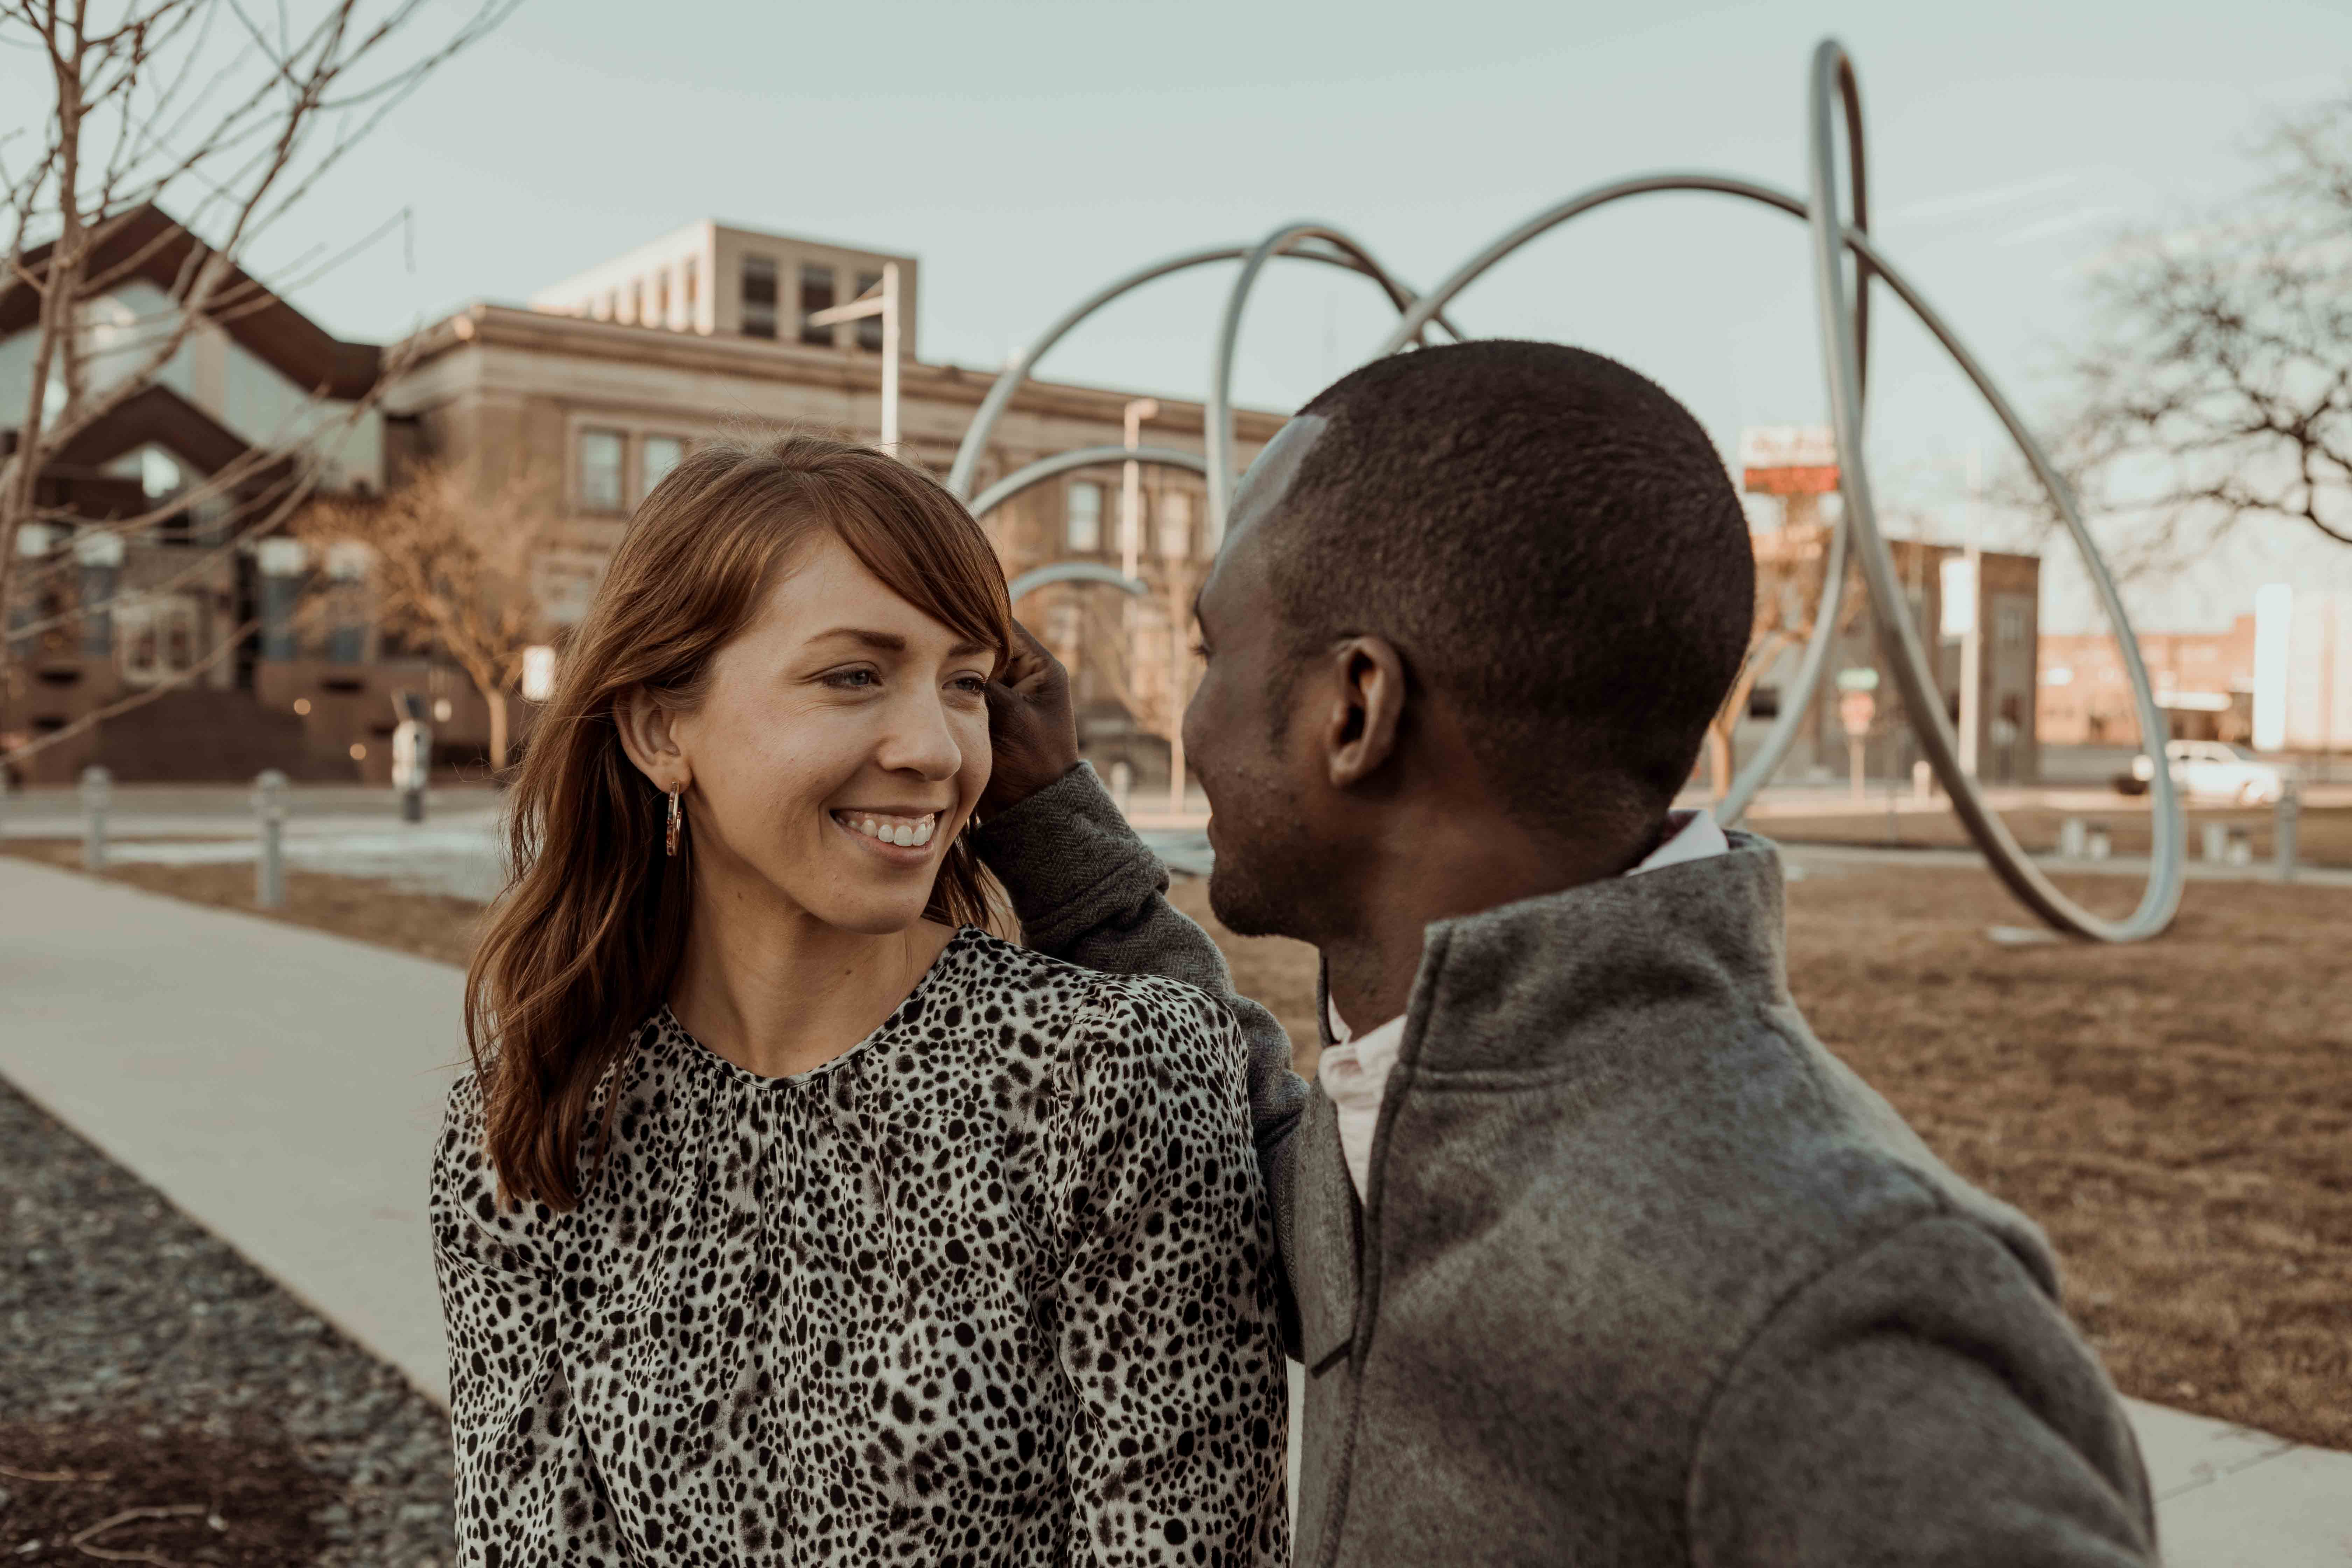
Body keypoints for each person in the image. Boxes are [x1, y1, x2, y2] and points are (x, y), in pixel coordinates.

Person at [975, 341, 2159, 1566]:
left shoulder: (1832, 1310)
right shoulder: (1434, 1123)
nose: (1192, 718)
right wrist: (1050, 813)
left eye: (1212, 650)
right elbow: (1248, 1158)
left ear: (1356, 709)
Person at [430, 433, 1288, 1566]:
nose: (936, 749)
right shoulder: (532, 1126)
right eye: (852, 675)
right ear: (658, 730)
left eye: (968, 684)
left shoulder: (1114, 1078)